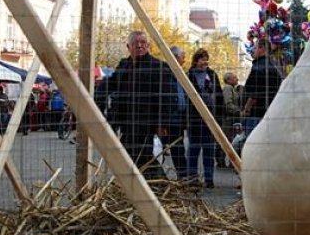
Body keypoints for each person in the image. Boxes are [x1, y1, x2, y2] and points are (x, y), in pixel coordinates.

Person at [94, 30, 179, 180]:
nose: (139, 46)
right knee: (132, 154)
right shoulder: (124, 66)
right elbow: (111, 83)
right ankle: (148, 185)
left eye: (142, 43)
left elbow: (168, 98)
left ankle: (158, 184)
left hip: (146, 120)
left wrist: (162, 123)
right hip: (125, 119)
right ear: (129, 46)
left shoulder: (158, 67)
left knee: (140, 154)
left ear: (148, 46)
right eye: (135, 43)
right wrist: (96, 99)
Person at [186, 48, 224, 188]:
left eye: (206, 59)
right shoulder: (189, 75)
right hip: (195, 119)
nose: (205, 62)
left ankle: (209, 179)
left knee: (209, 150)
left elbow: (219, 96)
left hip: (210, 120)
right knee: (193, 150)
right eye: (202, 59)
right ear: (196, 61)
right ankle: (192, 178)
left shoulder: (212, 75)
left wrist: (219, 117)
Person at [242, 38, 283, 138]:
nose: (252, 50)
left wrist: (246, 109)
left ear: (262, 49)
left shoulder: (258, 68)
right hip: (271, 114)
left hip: (256, 115)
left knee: (252, 143)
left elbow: (253, 94)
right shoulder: (274, 69)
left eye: (255, 47)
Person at [169, 45, 189, 180]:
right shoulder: (167, 73)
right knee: (177, 148)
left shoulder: (182, 74)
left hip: (180, 117)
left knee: (178, 148)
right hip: (171, 117)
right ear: (175, 58)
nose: (184, 60)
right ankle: (183, 176)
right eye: (183, 57)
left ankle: (183, 176)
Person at [221, 71, 242, 161]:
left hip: (232, 118)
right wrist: (239, 111)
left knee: (231, 138)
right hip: (229, 118)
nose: (237, 79)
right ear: (228, 80)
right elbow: (228, 104)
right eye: (234, 77)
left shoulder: (233, 88)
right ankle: (221, 159)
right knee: (227, 138)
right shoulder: (228, 88)